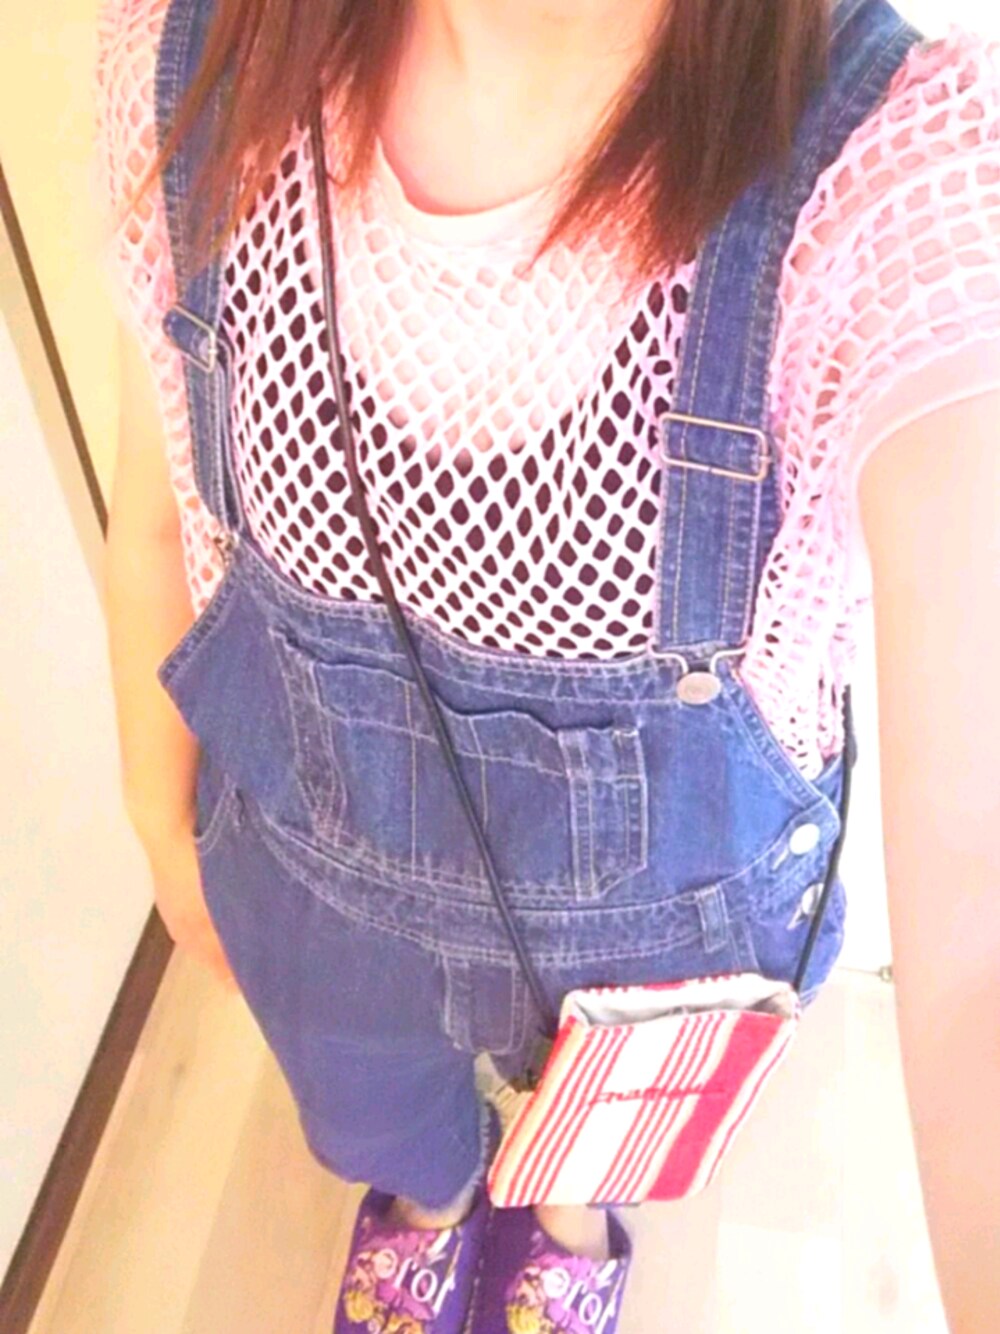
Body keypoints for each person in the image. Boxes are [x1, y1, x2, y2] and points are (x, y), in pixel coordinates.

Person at [94, 0, 1000, 1328]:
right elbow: (161, 505)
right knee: (378, 1122)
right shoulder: (191, 61)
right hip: (314, 897)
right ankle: (428, 1208)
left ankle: (568, 1224)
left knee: (596, 1143)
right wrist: (151, 805)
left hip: (658, 953)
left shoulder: (890, 188)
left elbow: (979, 935)